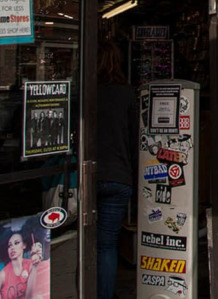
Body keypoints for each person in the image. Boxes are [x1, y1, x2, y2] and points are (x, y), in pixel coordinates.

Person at [96, 39, 136, 299]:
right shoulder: (126, 93)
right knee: (106, 245)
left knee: (84, 242)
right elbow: (135, 139)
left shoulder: (87, 92)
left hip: (89, 177)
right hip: (119, 177)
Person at [0, 227, 43, 299]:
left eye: (16, 243)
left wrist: (34, 267)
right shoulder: (2, 275)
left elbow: (30, 297)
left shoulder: (30, 265)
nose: (12, 248)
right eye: (9, 245)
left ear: (24, 245)